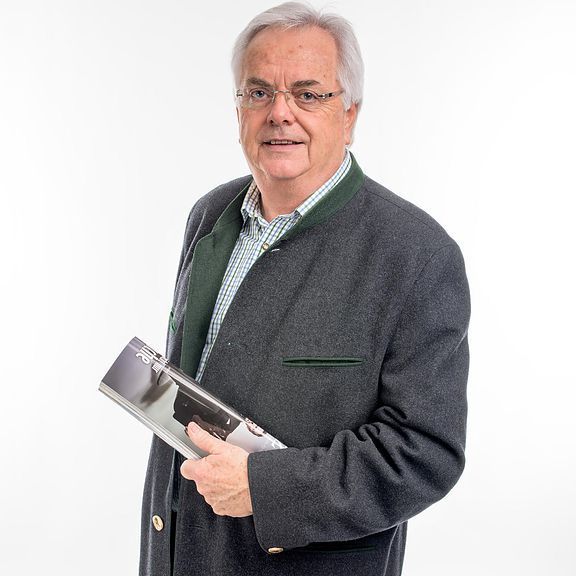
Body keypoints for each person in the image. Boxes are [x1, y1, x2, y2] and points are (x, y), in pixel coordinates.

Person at [139, 3, 470, 575]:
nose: (279, 113)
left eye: (308, 94)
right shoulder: (210, 215)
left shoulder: (417, 255)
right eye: (258, 92)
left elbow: (425, 452)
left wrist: (264, 487)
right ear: (238, 110)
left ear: (350, 113)